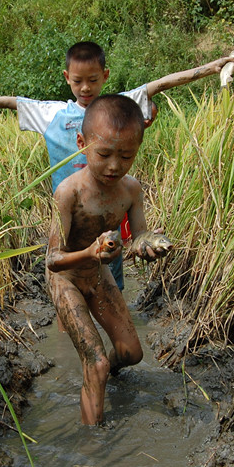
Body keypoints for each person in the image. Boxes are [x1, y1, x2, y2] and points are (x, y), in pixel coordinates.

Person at [0, 42, 234, 289]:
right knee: (65, 278)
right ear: (67, 77)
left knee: (111, 273)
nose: (85, 88)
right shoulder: (52, 113)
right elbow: (9, 102)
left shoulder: (119, 107)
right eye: (78, 81)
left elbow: (159, 85)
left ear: (105, 76)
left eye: (93, 80)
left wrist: (211, 69)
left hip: (107, 212)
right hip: (68, 216)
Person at [45, 94, 172, 425]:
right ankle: (93, 445)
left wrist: (147, 245)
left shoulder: (130, 191)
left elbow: (138, 234)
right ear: (81, 143)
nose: (115, 165)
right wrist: (90, 252)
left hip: (98, 275)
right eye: (103, 154)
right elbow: (53, 261)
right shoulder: (68, 194)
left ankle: (106, 374)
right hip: (66, 279)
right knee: (96, 362)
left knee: (131, 354)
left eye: (126, 156)